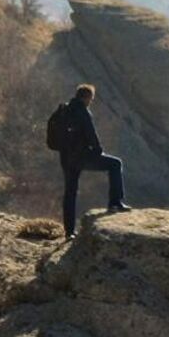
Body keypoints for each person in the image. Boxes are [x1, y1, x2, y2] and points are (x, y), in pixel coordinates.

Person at [60, 83, 129, 238]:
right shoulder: (83, 111)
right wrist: (98, 151)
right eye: (91, 99)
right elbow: (91, 134)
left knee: (70, 193)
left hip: (66, 158)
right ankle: (115, 203)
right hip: (83, 157)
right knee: (115, 164)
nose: (91, 101)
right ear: (87, 97)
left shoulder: (64, 110)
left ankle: (69, 232)